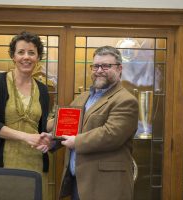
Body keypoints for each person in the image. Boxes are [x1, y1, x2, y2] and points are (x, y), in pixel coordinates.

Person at [45, 46, 139, 200]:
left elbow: (111, 134)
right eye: (95, 66)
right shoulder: (82, 97)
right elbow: (69, 126)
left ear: (119, 69)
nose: (99, 70)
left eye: (106, 66)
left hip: (106, 186)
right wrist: (53, 141)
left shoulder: (126, 100)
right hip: (79, 182)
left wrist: (76, 141)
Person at [0, 31, 52, 200]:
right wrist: (26, 137)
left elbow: (40, 126)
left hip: (33, 164)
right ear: (13, 56)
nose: (26, 57)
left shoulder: (42, 89)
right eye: (21, 52)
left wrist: (61, 121)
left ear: (38, 57)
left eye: (32, 53)